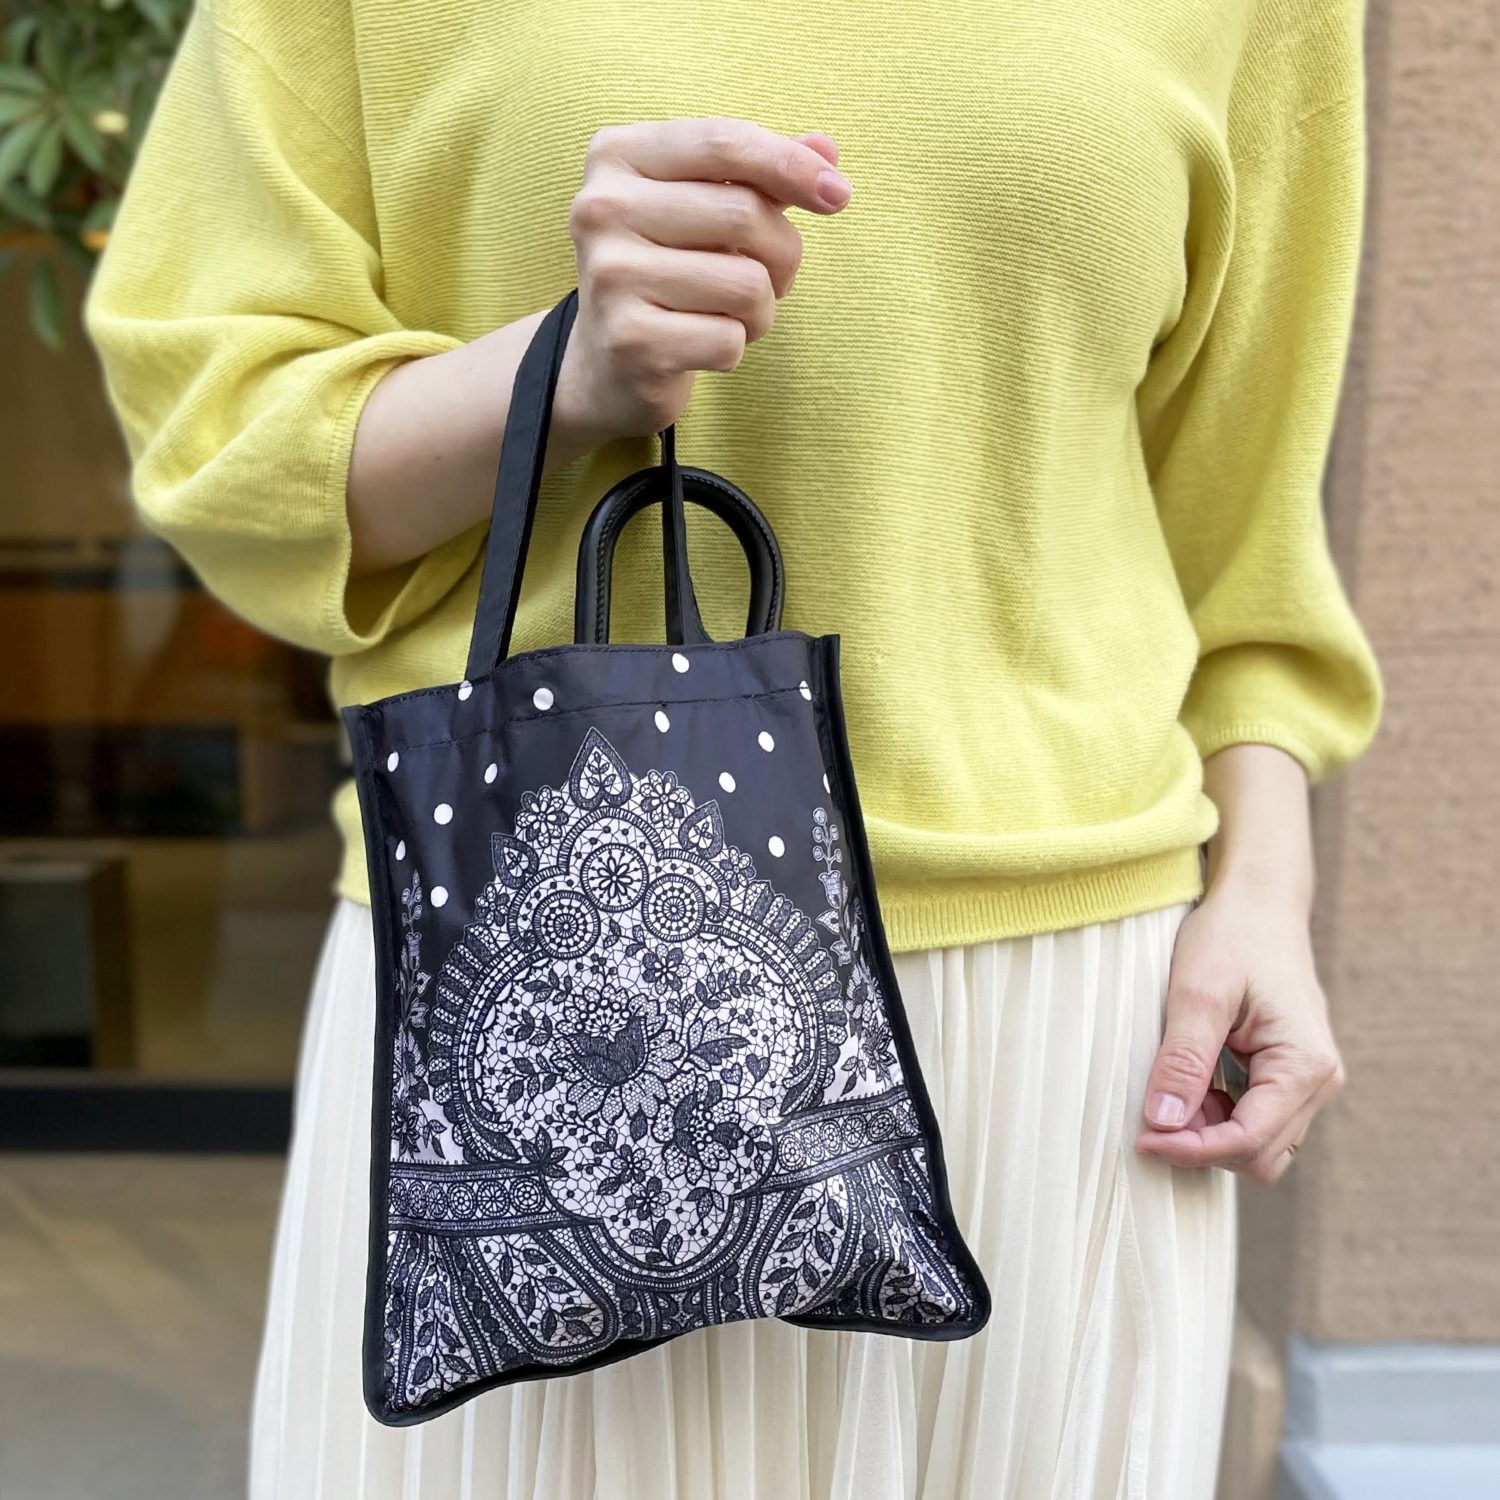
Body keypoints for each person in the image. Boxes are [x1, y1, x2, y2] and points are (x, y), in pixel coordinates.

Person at [86, 0, 1383, 1495]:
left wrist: (1267, 892)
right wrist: (562, 373)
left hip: (1064, 1025)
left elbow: (1242, 535)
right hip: (533, 1006)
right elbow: (223, 441)